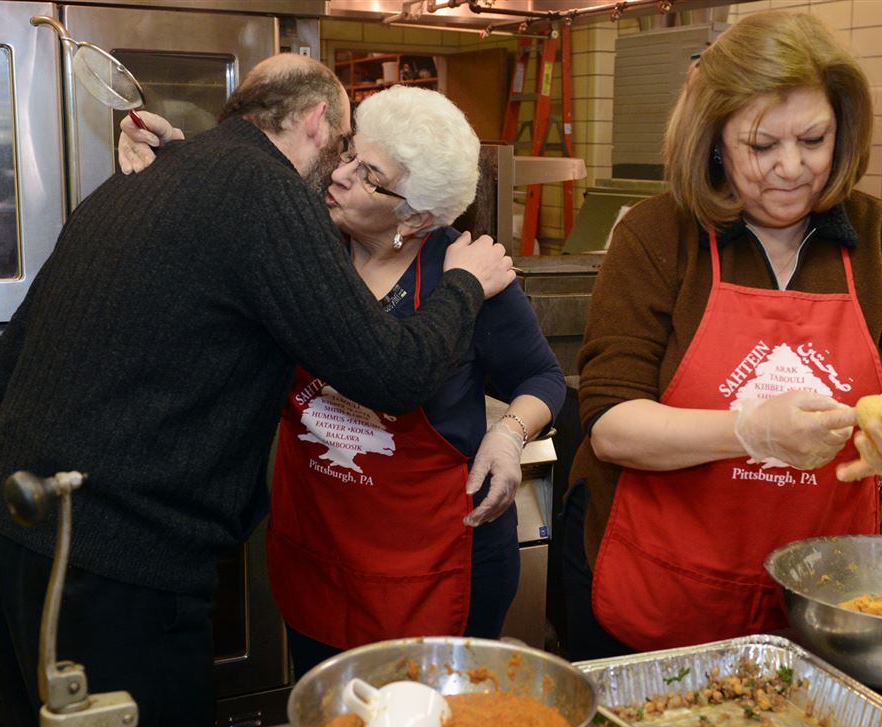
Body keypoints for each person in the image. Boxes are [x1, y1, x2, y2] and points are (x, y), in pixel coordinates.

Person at [0, 55, 513, 727]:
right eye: (347, 145)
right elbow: (393, 373)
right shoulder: (262, 193)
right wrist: (464, 283)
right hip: (123, 564)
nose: (343, 172)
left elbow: (7, 361)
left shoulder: (157, 176)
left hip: (21, 530)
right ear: (319, 120)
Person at [121, 85, 565, 676]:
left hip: (432, 561)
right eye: (350, 153)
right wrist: (175, 152)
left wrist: (510, 433)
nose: (342, 175)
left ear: (417, 213)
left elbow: (542, 375)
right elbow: (236, 193)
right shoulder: (305, 239)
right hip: (318, 546)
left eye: (370, 175)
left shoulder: (468, 272)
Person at [562, 10, 882, 661]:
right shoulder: (657, 237)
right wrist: (750, 431)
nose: (791, 167)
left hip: (825, 593)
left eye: (813, 140)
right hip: (660, 583)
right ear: (714, 137)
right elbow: (611, 423)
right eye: (762, 145)